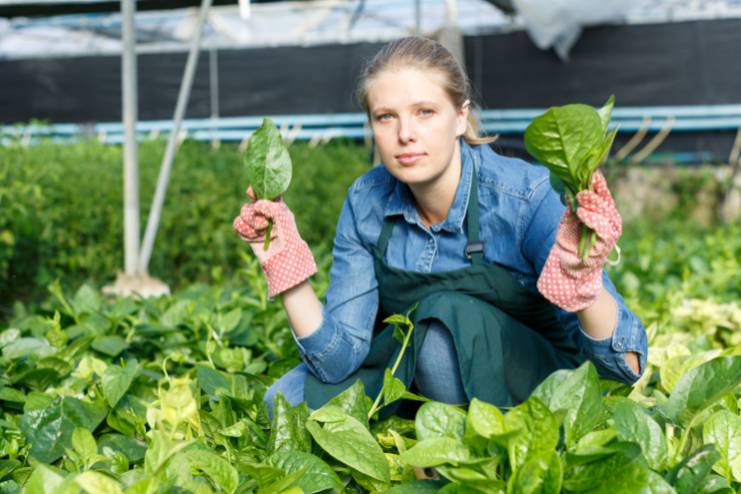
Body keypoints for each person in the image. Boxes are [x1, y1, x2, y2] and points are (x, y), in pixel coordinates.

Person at [233, 36, 648, 419]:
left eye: (425, 112)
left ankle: (462, 455)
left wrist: (582, 276)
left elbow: (623, 367)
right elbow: (339, 361)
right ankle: (421, 428)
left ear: (460, 116)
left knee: (438, 326)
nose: (405, 135)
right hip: (415, 371)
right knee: (285, 405)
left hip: (532, 380)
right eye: (385, 117)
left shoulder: (525, 196)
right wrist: (285, 270)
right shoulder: (366, 201)